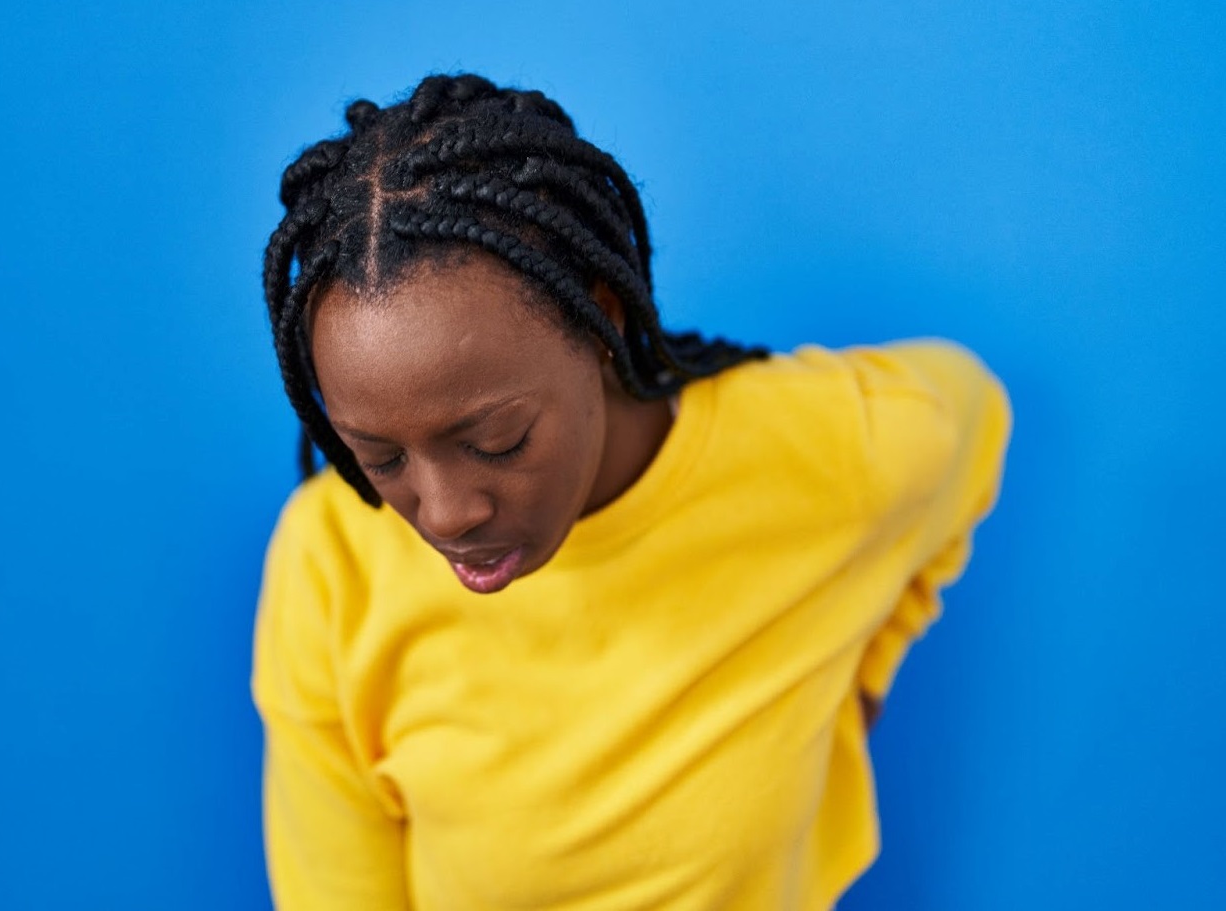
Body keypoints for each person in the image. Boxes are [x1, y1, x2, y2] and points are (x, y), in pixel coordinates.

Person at [252, 73, 1011, 911]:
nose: (445, 512)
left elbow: (969, 418)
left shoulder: (822, 450)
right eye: (379, 457)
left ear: (603, 318)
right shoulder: (333, 562)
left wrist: (861, 663)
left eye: (495, 441)